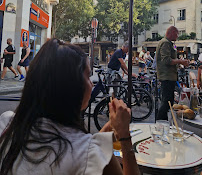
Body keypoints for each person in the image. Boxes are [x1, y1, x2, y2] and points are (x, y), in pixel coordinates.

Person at [0, 39, 140, 175]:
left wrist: (108, 129)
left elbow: (80, 144)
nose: (91, 83)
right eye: (88, 75)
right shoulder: (91, 156)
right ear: (72, 86)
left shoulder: (7, 124)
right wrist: (124, 137)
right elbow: (84, 150)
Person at [156, 26, 189, 120]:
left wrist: (178, 63)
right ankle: (160, 122)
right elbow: (166, 60)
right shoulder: (166, 43)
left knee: (168, 101)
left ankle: (163, 122)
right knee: (166, 101)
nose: (177, 36)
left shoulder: (168, 43)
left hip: (169, 76)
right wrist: (180, 62)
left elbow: (169, 60)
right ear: (171, 32)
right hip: (167, 77)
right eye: (177, 33)